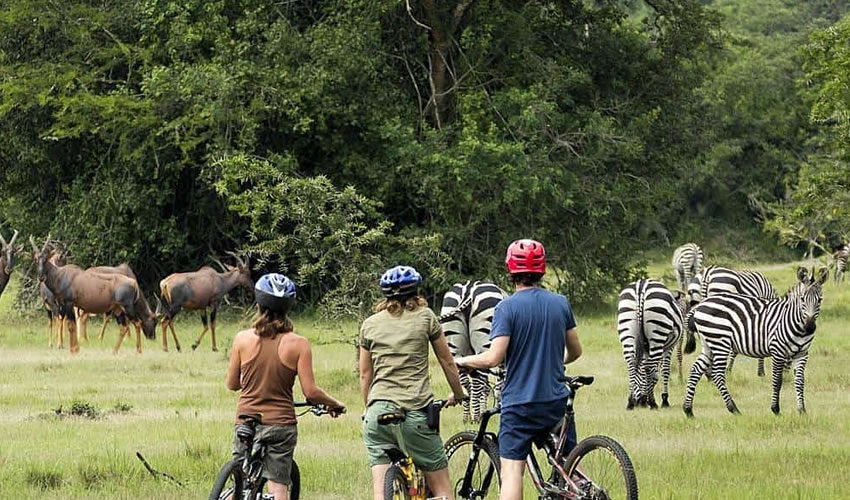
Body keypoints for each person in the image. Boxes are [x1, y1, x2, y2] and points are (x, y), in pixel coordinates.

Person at [455, 239, 583, 500]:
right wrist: (554, 363)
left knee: (512, 471)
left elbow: (493, 358)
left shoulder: (506, 308)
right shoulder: (560, 303)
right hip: (556, 401)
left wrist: (464, 361)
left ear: (510, 269)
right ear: (542, 270)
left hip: (520, 405)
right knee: (571, 463)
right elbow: (576, 351)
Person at [226, 273, 345, 500]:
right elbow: (311, 392)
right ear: (288, 306)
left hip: (246, 420)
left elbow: (232, 384)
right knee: (278, 486)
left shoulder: (242, 339)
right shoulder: (299, 344)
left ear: (259, 303)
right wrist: (334, 403)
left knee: (240, 481)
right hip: (280, 424)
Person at [359, 265, 467, 500]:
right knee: (442, 490)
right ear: (417, 292)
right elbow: (447, 362)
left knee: (381, 493)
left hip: (377, 415)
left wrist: (368, 409)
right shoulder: (426, 317)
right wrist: (458, 393)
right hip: (414, 413)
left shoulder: (369, 324)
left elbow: (365, 374)